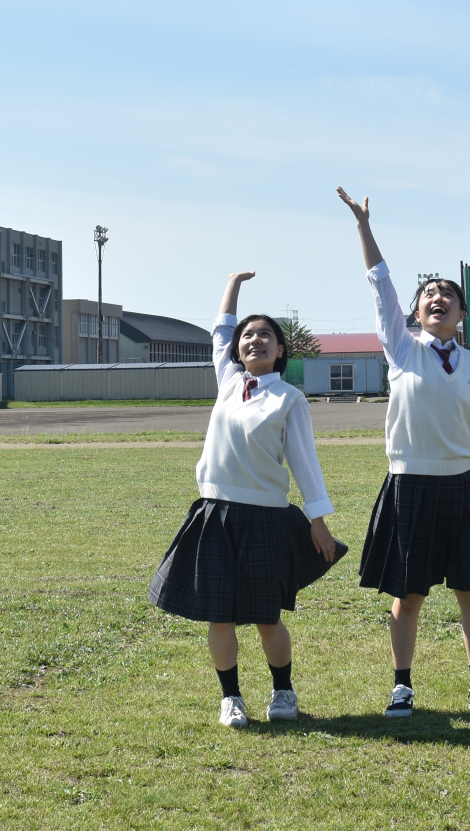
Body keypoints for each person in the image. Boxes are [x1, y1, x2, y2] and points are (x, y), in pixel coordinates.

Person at [336, 187, 470, 720]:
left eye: (448, 295)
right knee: (409, 594)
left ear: (462, 313)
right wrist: (363, 227)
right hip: (410, 485)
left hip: (465, 484)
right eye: (429, 295)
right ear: (416, 311)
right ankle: (402, 686)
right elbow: (380, 286)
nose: (438, 299)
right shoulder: (402, 349)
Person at [148, 271, 344, 728]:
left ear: (280, 350)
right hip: (214, 515)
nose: (254, 340)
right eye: (247, 336)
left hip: (264, 518)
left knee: (266, 618)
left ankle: (283, 692)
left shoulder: (289, 399)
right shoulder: (228, 383)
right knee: (220, 617)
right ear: (237, 350)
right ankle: (230, 698)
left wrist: (318, 519)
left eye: (266, 336)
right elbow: (220, 328)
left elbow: (304, 462)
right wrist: (233, 283)